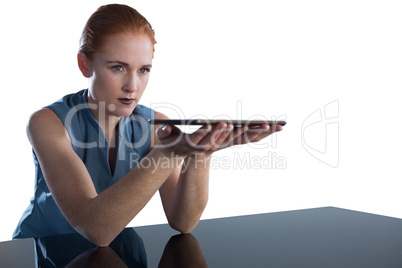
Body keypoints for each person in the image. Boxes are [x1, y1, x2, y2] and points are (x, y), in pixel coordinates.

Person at [13, 4, 283, 247]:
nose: (132, 86)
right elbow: (95, 228)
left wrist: (201, 152)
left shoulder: (155, 125)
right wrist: (168, 153)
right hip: (41, 252)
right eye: (118, 68)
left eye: (143, 70)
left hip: (112, 255)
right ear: (85, 64)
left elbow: (183, 221)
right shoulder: (47, 123)